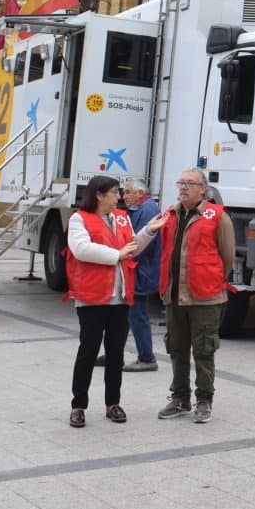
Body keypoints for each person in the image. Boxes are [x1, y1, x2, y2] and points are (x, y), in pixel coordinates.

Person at [66, 175, 160, 427]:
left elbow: (131, 248)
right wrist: (116, 254)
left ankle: (113, 403)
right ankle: (78, 405)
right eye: (114, 192)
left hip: (119, 298)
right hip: (93, 298)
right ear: (99, 194)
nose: (118, 197)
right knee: (88, 351)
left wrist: (149, 231)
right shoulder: (79, 219)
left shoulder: (121, 217)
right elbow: (81, 249)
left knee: (116, 354)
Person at [156, 169, 235, 424]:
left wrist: (209, 277)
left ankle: (204, 399)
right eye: (181, 182)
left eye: (190, 183)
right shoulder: (169, 215)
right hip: (174, 294)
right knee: (177, 348)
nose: (184, 187)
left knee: (204, 349)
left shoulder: (218, 217)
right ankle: (179, 398)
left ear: (204, 189)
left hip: (205, 296)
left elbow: (227, 257)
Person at [122, 180, 161, 372]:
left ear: (139, 192)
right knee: (129, 314)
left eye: (128, 192)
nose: (124, 196)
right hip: (140, 270)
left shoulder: (146, 210)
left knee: (137, 315)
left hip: (140, 271)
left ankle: (147, 357)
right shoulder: (145, 207)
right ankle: (116, 353)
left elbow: (138, 243)